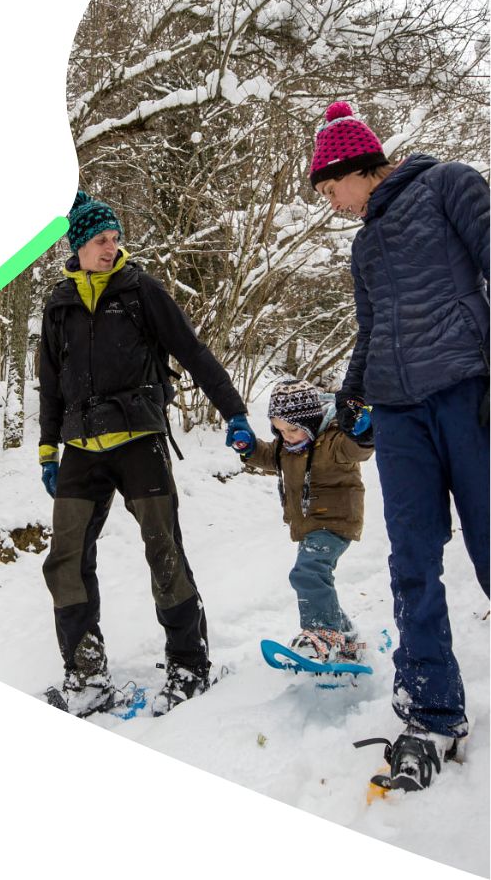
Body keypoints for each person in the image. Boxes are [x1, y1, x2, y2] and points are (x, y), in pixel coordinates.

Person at [310, 101, 490, 791]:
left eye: (332, 189)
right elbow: (371, 328)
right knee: (412, 560)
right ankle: (431, 712)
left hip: (466, 390)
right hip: (399, 415)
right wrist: (352, 396)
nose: (333, 205)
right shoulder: (364, 247)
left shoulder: (449, 184)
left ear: (359, 166)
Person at [38, 190, 254, 717]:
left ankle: (189, 665)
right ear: (77, 245)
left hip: (139, 439)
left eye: (115, 238)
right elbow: (50, 382)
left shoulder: (141, 290)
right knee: (66, 560)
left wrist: (234, 411)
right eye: (100, 239)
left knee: (164, 551)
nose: (110, 248)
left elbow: (192, 351)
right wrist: (48, 448)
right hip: (81, 448)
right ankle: (86, 675)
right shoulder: (59, 304)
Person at [241, 378, 373, 661]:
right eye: (279, 430)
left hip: (336, 522)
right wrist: (248, 447)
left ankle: (322, 633)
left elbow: (357, 450)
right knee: (315, 578)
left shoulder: (334, 441)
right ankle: (347, 639)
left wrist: (364, 434)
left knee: (308, 572)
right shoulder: (286, 447)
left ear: (311, 421)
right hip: (310, 525)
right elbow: (268, 456)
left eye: (292, 429)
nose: (286, 436)